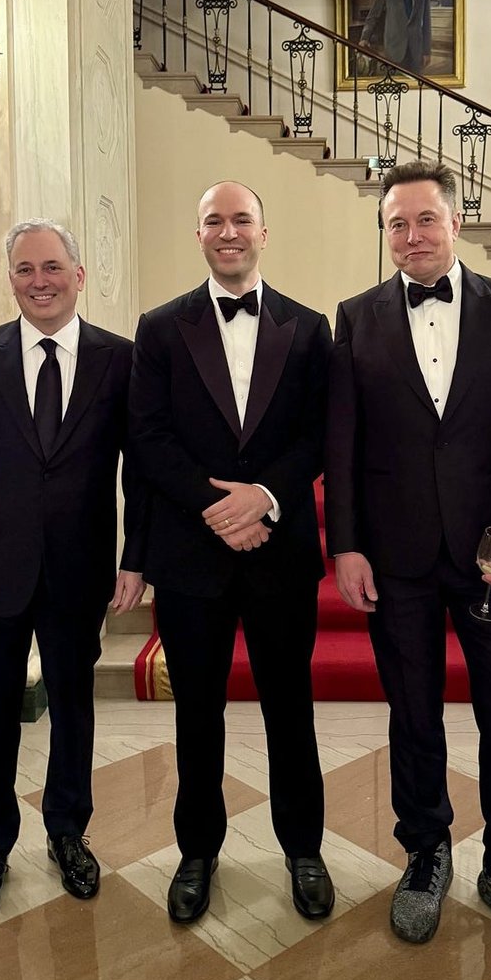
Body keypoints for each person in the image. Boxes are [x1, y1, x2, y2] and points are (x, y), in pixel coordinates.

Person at [325, 160, 491, 960]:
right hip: (394, 555)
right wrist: (346, 545)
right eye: (396, 224)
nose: (411, 235)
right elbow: (343, 443)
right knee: (412, 712)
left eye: (425, 219)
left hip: (488, 553)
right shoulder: (355, 316)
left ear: (455, 223)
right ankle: (426, 852)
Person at [128, 180, 335, 926]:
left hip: (280, 553)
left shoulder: (309, 328)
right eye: (213, 220)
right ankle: (197, 851)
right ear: (199, 235)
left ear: (263, 232)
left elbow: (320, 433)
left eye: (241, 218)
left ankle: (303, 849)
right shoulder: (160, 328)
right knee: (197, 714)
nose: (228, 231)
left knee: (290, 709)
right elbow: (147, 437)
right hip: (193, 553)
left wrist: (265, 497)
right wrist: (219, 509)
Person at [0, 220, 147, 929]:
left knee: (74, 708)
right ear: (11, 280)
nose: (39, 281)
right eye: (25, 270)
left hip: (78, 570)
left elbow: (140, 470)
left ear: (79, 277)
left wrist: (135, 557)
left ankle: (67, 831)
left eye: (52, 267)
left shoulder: (119, 358)